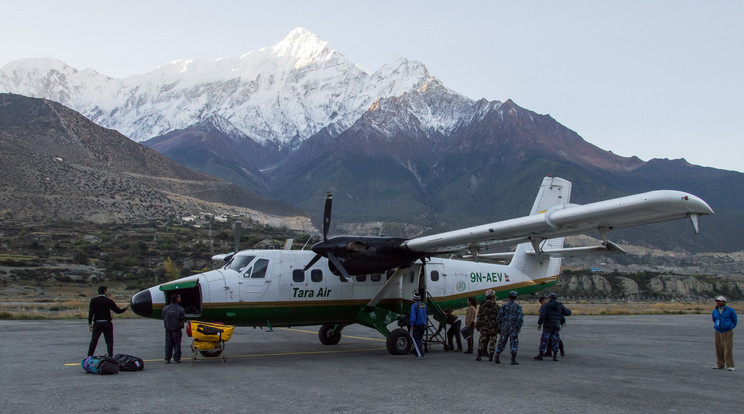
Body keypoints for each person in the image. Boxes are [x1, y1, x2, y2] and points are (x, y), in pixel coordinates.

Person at [87, 286, 129, 356]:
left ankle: (89, 356)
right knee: (109, 341)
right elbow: (117, 311)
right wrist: (125, 308)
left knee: (94, 341)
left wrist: (90, 323)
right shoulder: (109, 301)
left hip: (97, 323)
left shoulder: (93, 300)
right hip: (107, 323)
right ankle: (110, 356)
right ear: (105, 292)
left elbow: (91, 312)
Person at [535, 292, 571, 361]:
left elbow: (542, 316)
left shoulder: (546, 306)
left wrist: (539, 324)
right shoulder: (560, 305)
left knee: (544, 340)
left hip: (548, 325)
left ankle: (541, 354)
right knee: (555, 340)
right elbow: (568, 313)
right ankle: (555, 355)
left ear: (549, 298)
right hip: (556, 325)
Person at [494, 290, 524, 365]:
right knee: (514, 342)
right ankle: (513, 359)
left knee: (501, 341)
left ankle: (497, 355)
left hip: (505, 326)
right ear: (515, 297)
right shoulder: (518, 307)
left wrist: (500, 326)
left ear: (509, 297)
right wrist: (518, 326)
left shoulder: (504, 306)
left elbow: (499, 317)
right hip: (513, 327)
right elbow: (520, 318)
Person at [712, 295, 737, 371]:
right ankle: (720, 364)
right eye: (717, 301)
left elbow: (734, 320)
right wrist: (717, 326)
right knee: (718, 348)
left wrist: (730, 327)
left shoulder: (730, 310)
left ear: (724, 302)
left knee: (727, 348)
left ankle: (730, 365)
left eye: (719, 301)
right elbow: (714, 319)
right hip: (718, 331)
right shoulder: (715, 311)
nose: (718, 303)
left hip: (727, 331)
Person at [475, 289, 500, 361]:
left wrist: (478, 325)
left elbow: (479, 316)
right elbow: (499, 317)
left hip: (484, 326)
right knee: (493, 341)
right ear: (493, 297)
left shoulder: (482, 305)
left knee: (482, 340)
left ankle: (479, 356)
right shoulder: (497, 306)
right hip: (493, 327)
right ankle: (491, 357)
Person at [163, 293, 186, 363]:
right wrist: (182, 325)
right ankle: (177, 358)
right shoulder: (180, 309)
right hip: (176, 329)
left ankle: (167, 358)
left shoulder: (165, 308)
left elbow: (164, 318)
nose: (180, 299)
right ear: (177, 299)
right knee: (177, 345)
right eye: (179, 297)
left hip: (168, 329)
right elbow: (182, 319)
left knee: (168, 344)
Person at [409, 292, 428, 359]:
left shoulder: (414, 306)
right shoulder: (424, 305)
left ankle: (421, 354)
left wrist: (412, 325)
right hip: (423, 324)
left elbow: (413, 316)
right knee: (420, 339)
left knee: (416, 340)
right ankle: (417, 354)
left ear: (413, 299)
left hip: (417, 325)